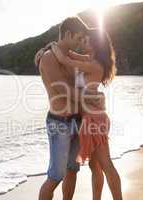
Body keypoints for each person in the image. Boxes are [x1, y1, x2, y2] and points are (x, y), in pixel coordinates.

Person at [51, 28, 123, 200]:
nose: (82, 43)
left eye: (86, 41)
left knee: (106, 165)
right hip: (90, 118)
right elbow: (68, 54)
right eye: (82, 40)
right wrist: (46, 48)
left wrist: (53, 46)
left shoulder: (94, 64)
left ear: (95, 44)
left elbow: (63, 58)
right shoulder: (89, 60)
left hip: (94, 120)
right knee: (95, 166)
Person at [35, 16, 89, 200]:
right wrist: (91, 99)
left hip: (78, 120)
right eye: (78, 38)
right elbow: (61, 89)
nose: (80, 42)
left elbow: (82, 83)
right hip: (59, 123)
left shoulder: (70, 58)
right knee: (55, 176)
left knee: (73, 170)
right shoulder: (49, 58)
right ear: (67, 34)